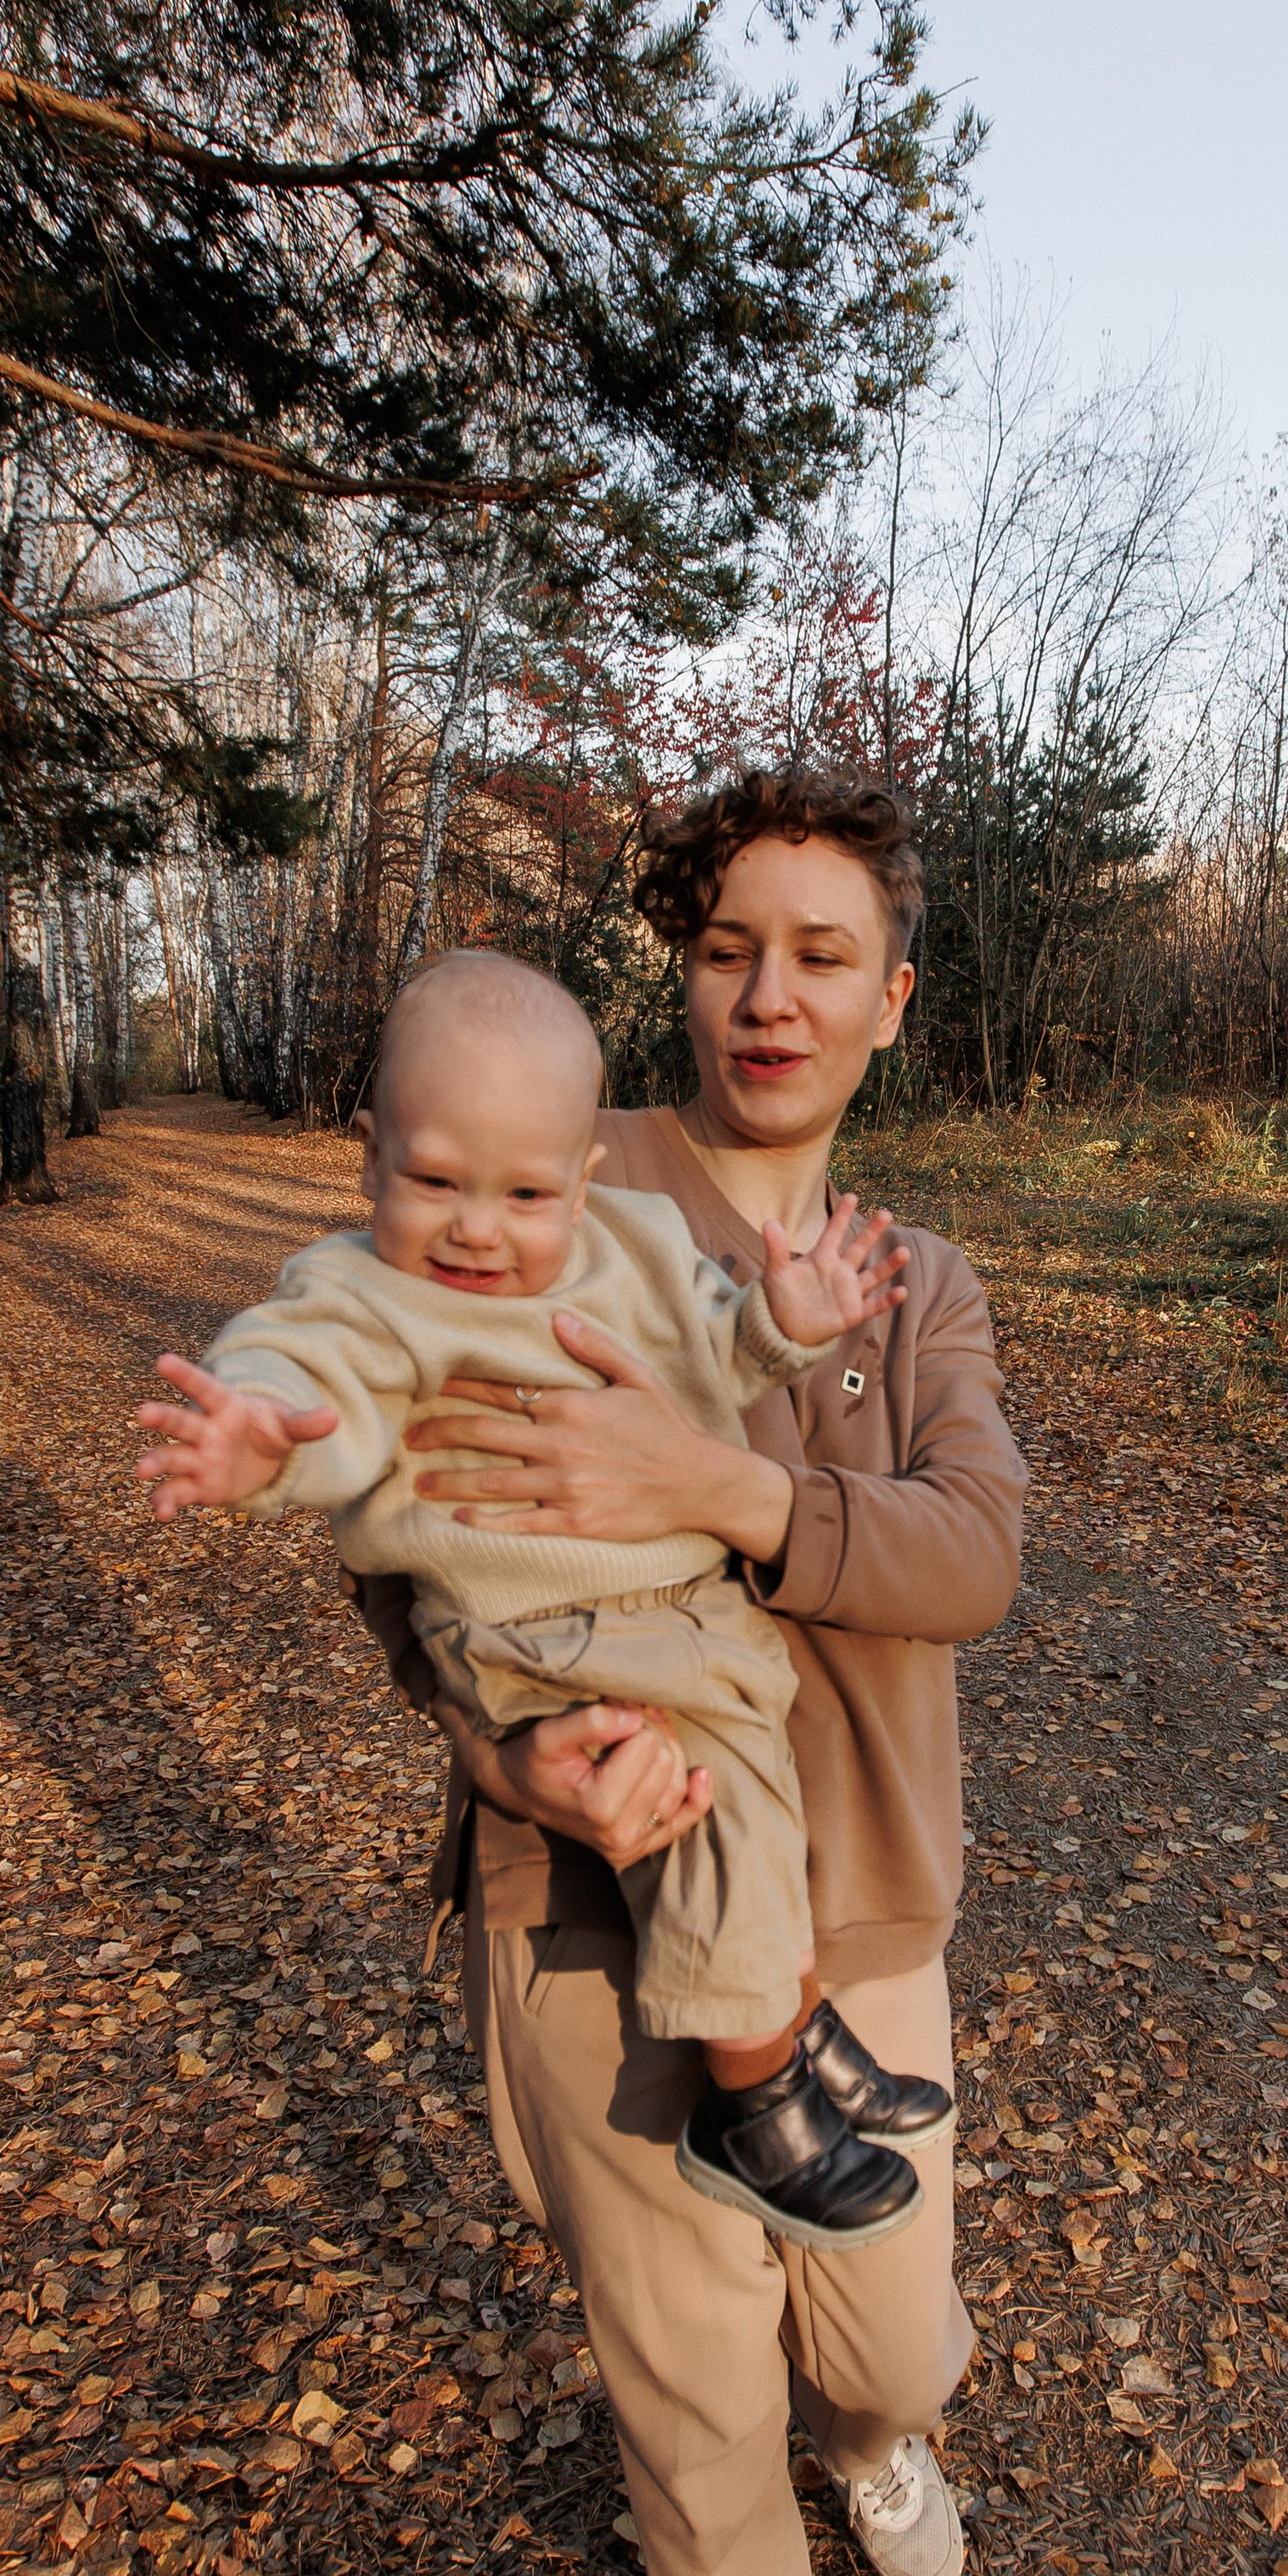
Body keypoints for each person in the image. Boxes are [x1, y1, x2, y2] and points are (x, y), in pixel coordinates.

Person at [356, 766, 1027, 2576]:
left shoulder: (921, 1289)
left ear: (893, 1005)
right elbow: (404, 1559)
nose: (769, 992)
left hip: (861, 1900)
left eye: (823, 954)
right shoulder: (564, 1179)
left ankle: (881, 2449)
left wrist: (710, 1475)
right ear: (685, 967)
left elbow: (970, 1555)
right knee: (680, 2367)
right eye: (733, 942)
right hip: (589, 1899)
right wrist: (514, 1765)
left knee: (890, 2338)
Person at [133, 947, 945, 2245]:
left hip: (687, 1612)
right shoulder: (366, 1290)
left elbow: (714, 1348)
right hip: (536, 1635)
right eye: (436, 1180)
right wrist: (266, 1440)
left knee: (767, 1808)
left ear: (584, 1179)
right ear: (370, 1159)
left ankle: (791, 2026)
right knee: (715, 1824)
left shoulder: (633, 1245)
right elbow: (307, 1369)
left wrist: (785, 1321)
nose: (475, 1227)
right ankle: (756, 2108)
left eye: (523, 1193)